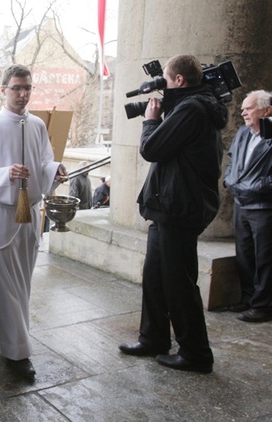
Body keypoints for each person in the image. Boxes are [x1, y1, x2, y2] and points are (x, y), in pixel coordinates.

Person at [118, 54, 228, 374]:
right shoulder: (190, 105)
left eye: (166, 80)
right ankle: (153, 338)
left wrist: (151, 119)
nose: (163, 86)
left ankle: (195, 353)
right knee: (155, 276)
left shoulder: (192, 109)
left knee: (178, 282)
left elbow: (152, 149)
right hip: (167, 206)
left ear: (179, 80)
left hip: (179, 208)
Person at [0, 64, 67, 379]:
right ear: (3, 90)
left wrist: (55, 170)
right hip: (1, 213)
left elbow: (44, 161)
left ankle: (0, 322)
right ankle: (17, 353)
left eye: (27, 88)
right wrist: (5, 174)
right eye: (16, 88)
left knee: (20, 282)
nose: (23, 95)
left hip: (30, 214)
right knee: (5, 282)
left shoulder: (36, 125)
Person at [223, 90, 272, 322]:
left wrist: (257, 187)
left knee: (264, 257)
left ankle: (263, 306)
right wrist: (228, 179)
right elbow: (232, 162)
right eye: (243, 108)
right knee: (243, 253)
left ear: (267, 110)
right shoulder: (243, 133)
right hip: (241, 203)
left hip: (264, 206)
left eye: (249, 108)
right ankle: (248, 299)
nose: (243, 112)